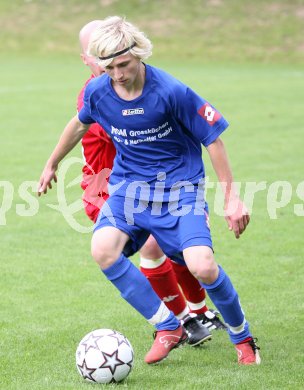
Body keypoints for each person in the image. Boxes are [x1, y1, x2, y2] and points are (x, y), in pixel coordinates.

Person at [38, 16, 260, 365]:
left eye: (123, 65)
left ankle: (242, 336)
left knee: (202, 266)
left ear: (139, 53)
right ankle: (168, 326)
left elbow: (214, 140)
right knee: (102, 249)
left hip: (180, 191)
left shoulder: (171, 91)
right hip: (130, 190)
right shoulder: (99, 90)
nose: (117, 74)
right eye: (108, 67)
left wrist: (231, 197)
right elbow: (79, 123)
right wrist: (51, 163)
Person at [78, 21, 227, 346]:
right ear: (87, 60)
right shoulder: (97, 94)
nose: (109, 64)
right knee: (150, 244)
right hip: (107, 183)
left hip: (143, 179)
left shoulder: (135, 86)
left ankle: (197, 312)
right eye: (98, 56)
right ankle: (181, 321)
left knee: (181, 249)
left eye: (118, 57)